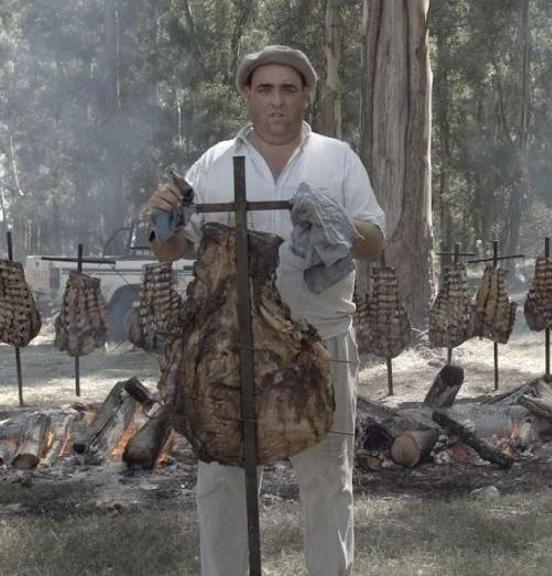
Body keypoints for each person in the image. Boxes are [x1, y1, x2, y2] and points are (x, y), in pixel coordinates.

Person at [147, 45, 384, 576]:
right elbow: (173, 247)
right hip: (228, 345)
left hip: (319, 335)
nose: (276, 101)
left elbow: (374, 238)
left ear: (305, 95)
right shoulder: (213, 163)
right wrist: (161, 221)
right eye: (265, 89)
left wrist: (337, 224)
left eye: (288, 89)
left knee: (327, 477)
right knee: (222, 480)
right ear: (247, 95)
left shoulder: (337, 158)